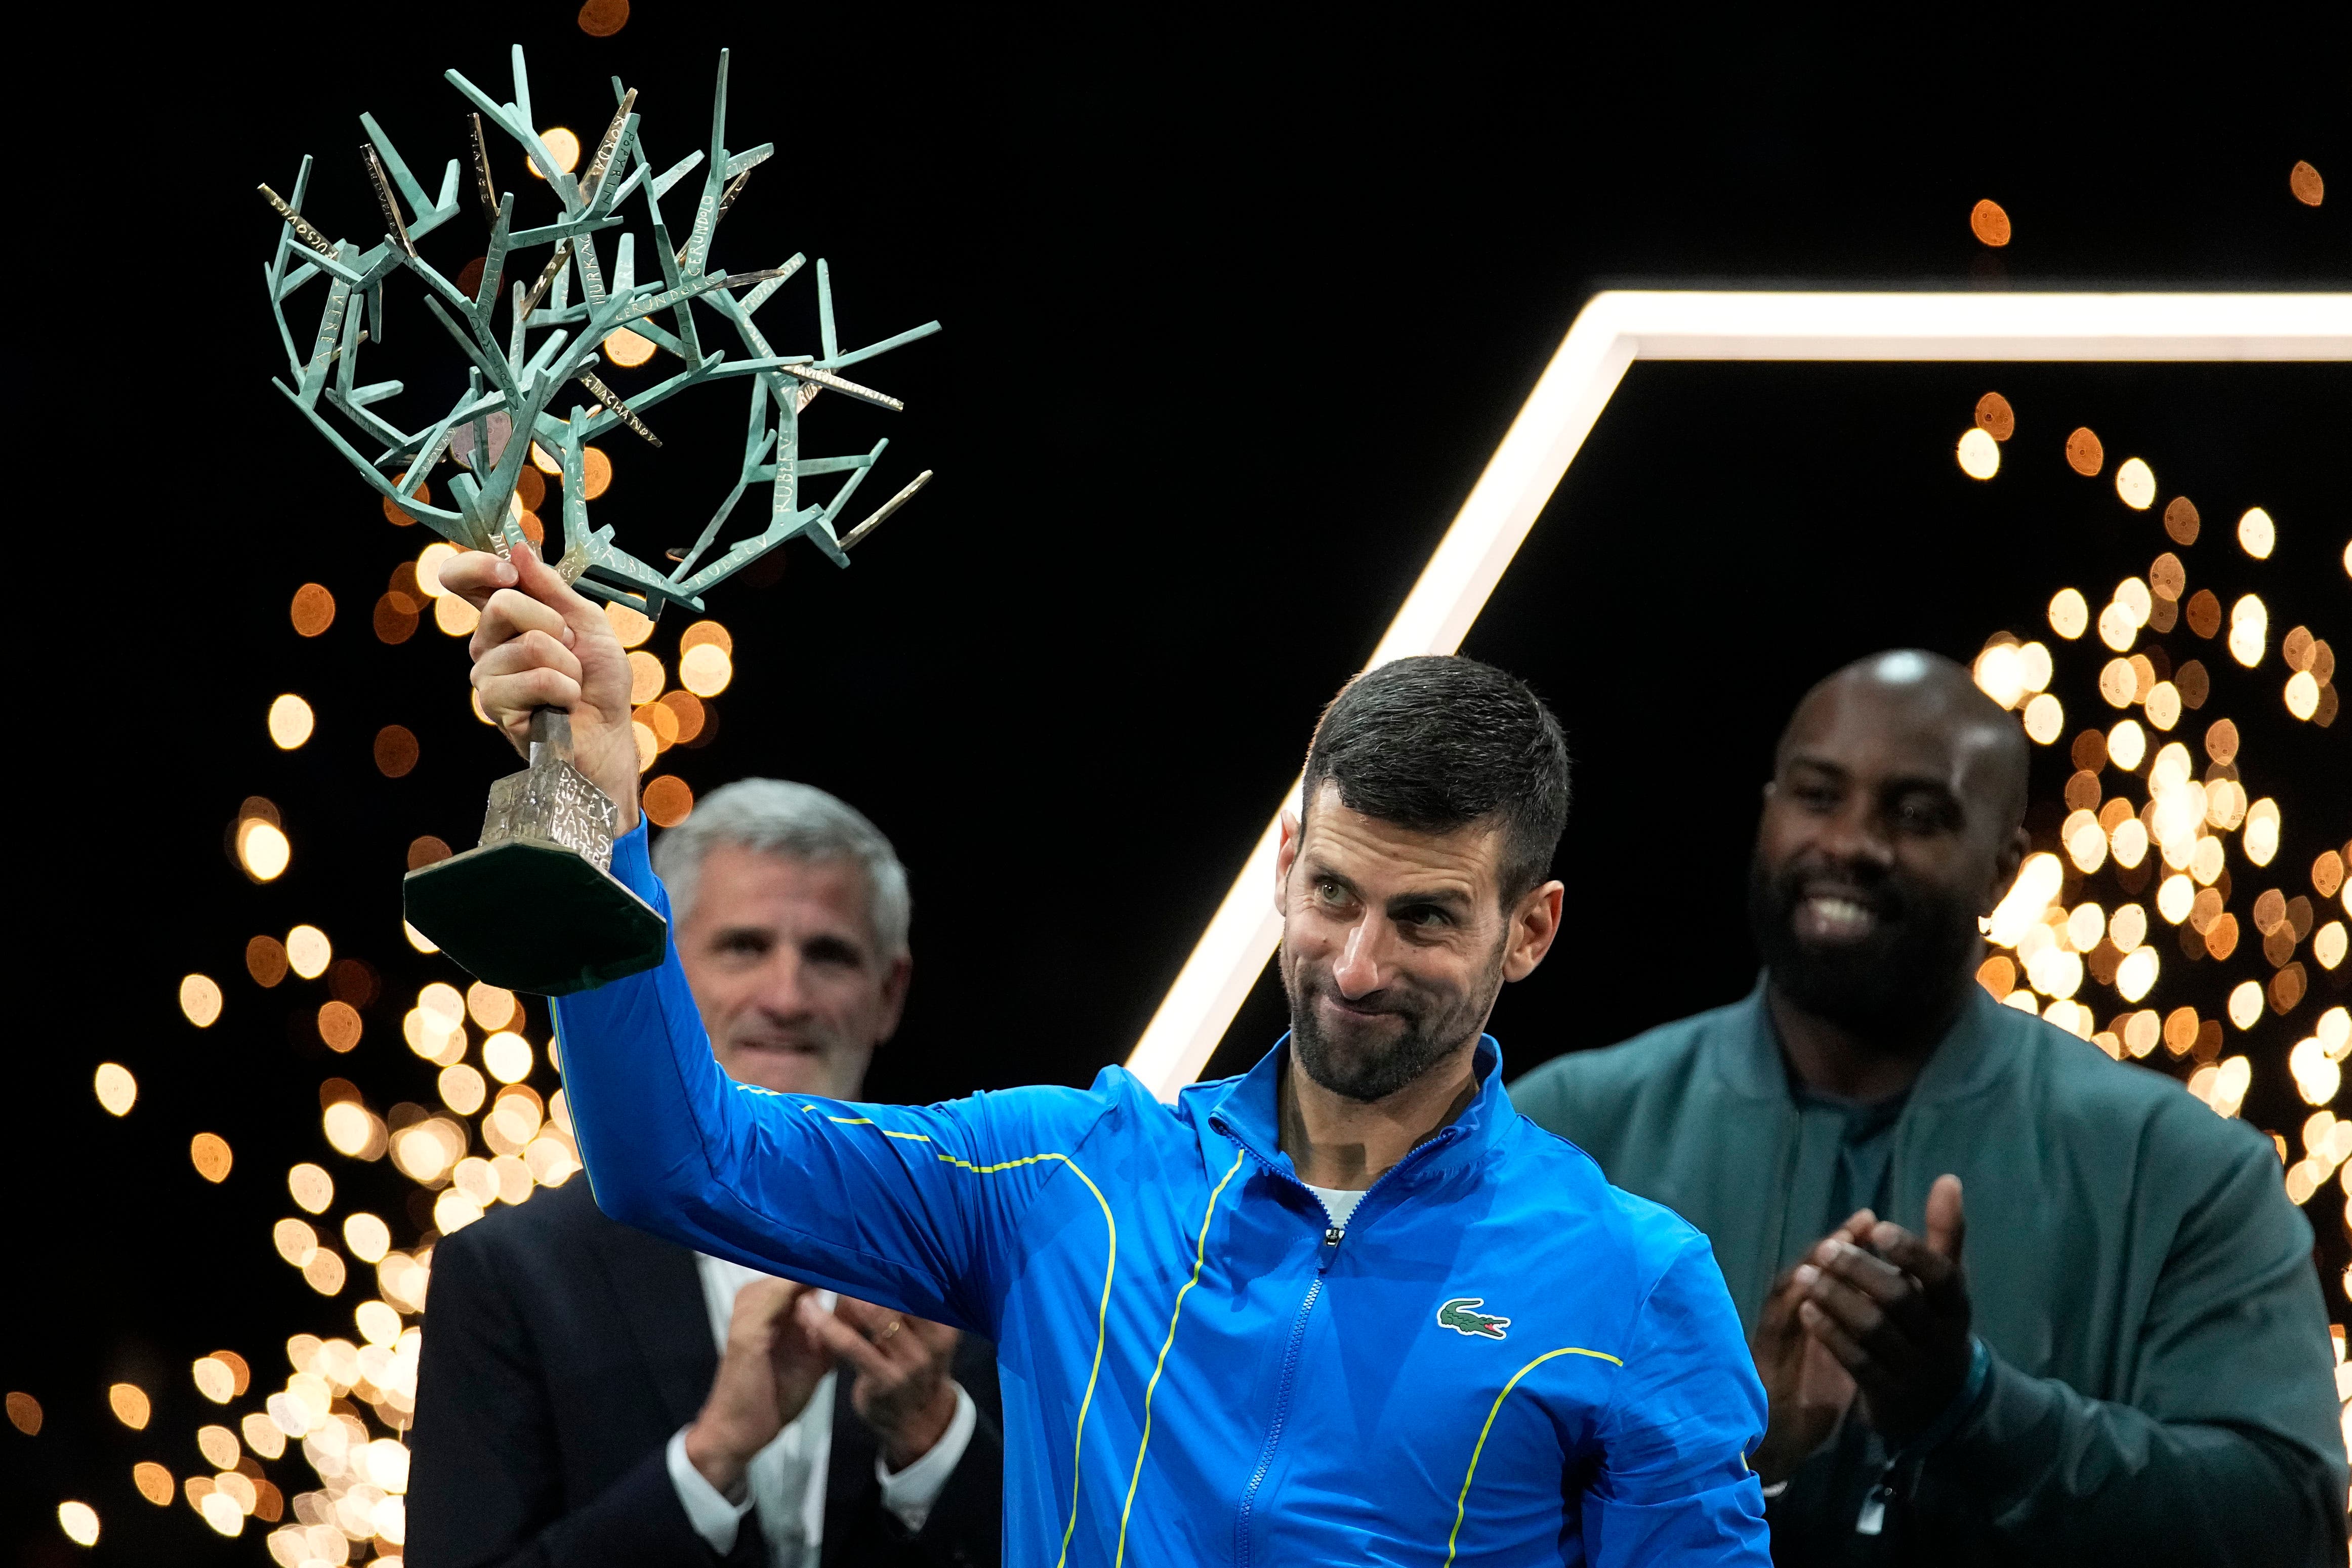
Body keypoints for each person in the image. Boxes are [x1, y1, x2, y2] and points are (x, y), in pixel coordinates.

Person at [435, 543, 1772, 1565]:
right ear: (1289, 865)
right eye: (1336, 897)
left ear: (1529, 930)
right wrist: (600, 806)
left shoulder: (1636, 1284)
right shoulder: (1064, 1176)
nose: (1359, 966)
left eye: (1425, 918)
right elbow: (678, 1160)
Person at [1510, 649, 2346, 1564]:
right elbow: (1424, 1495)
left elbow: (2288, 1520)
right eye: (1818, 796)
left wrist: (1978, 1411)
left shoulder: (2187, 1169)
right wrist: (1742, 1450)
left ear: (2003, 871)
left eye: (1917, 814)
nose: (1852, 844)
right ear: (1767, 814)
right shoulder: (1560, 1136)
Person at [408, 779, 1003, 1568]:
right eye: (743, 946)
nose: (786, 996)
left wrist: (933, 1438)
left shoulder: (990, 1258)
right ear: (668, 968)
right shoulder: (511, 1272)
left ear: (889, 993)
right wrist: (709, 1458)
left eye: (828, 954)